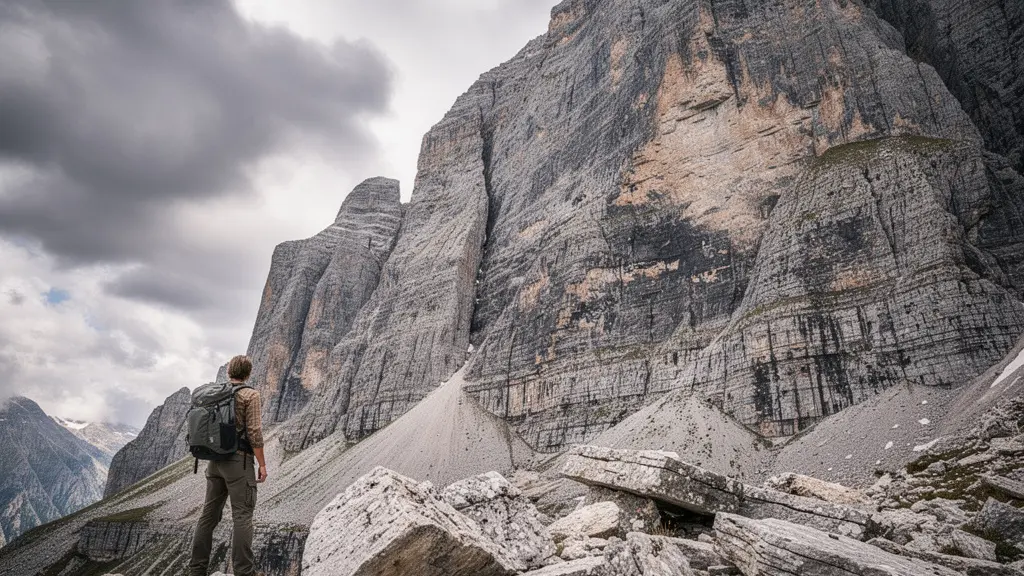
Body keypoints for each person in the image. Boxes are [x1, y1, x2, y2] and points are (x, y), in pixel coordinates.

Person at [188, 355, 267, 576]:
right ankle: (244, 572)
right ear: (248, 373)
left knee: (209, 515)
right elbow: (254, 433)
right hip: (238, 462)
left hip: (214, 462)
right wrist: (262, 464)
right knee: (242, 516)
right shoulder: (250, 394)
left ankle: (197, 570)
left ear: (228, 372)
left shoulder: (215, 394)